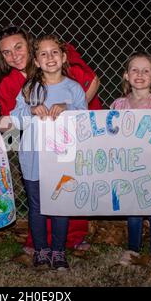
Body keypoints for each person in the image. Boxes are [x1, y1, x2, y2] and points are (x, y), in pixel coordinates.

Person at [0, 25, 101, 253]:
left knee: (66, 188)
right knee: (39, 197)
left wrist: (66, 112)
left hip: (68, 139)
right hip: (38, 146)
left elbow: (92, 81)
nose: (14, 56)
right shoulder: (11, 85)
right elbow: (11, 121)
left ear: (30, 46)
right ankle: (40, 242)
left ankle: (72, 236)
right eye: (7, 52)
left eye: (18, 47)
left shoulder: (54, 58)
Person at [10, 34, 88, 270]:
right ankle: (42, 249)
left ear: (64, 57)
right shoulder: (29, 89)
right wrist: (31, 110)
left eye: (54, 52)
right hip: (33, 158)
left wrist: (68, 108)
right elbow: (15, 120)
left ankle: (58, 250)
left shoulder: (73, 89)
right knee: (37, 206)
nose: (49, 57)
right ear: (35, 61)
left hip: (62, 160)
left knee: (60, 205)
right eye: (43, 53)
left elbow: (85, 121)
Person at [110, 51, 151, 266]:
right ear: (126, 75)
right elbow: (110, 132)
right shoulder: (119, 105)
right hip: (129, 167)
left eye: (146, 71)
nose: (140, 74)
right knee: (133, 209)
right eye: (134, 70)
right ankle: (133, 249)